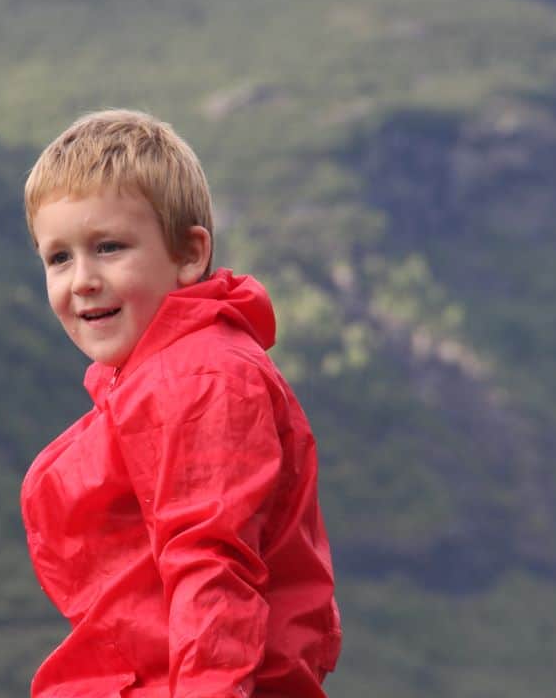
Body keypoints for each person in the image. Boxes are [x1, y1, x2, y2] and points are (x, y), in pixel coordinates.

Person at [21, 109, 341, 697]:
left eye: (109, 247)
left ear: (190, 254)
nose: (82, 279)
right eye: (59, 258)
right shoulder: (155, 377)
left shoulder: (201, 379)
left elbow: (212, 571)